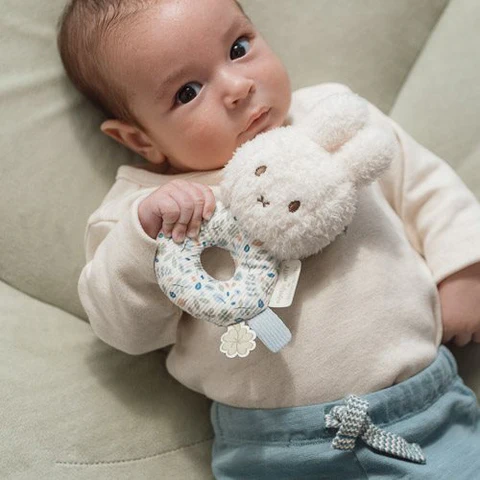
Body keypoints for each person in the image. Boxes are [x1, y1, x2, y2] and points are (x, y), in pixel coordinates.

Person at [57, 0, 480, 478]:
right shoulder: (140, 211)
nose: (238, 87)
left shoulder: (331, 116)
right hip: (271, 449)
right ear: (141, 140)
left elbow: (425, 185)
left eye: (238, 48)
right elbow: (123, 330)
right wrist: (142, 241)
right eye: (188, 92)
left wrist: (463, 268)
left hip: (423, 411)